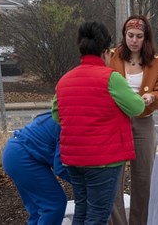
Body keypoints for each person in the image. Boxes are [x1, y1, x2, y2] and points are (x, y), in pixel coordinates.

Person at [52, 21, 145, 224]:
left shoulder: (65, 80)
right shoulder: (111, 78)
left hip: (73, 159)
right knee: (97, 215)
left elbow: (57, 115)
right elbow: (137, 107)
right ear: (105, 52)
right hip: (103, 160)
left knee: (82, 210)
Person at [108, 15, 158, 225]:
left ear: (146, 38)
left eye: (139, 36)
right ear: (124, 36)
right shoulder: (113, 57)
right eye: (130, 35)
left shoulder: (156, 61)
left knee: (144, 179)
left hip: (143, 121)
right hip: (116, 123)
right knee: (113, 179)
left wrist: (153, 96)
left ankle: (140, 222)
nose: (134, 40)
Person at [2, 111, 70, 225]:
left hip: (14, 153)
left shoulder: (60, 114)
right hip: (24, 157)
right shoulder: (68, 124)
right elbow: (61, 167)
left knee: (38, 211)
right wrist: (86, 184)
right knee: (54, 205)